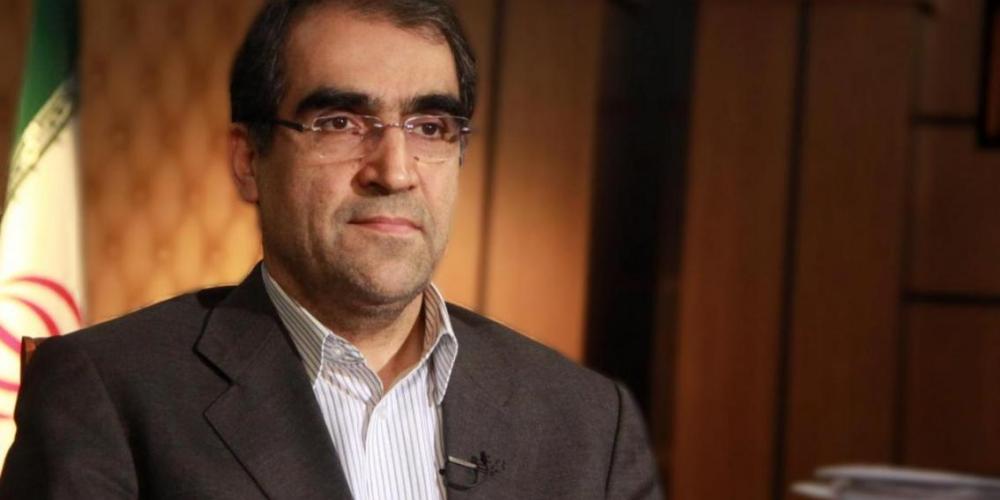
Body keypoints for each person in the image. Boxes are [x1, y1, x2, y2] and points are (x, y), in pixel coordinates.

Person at [0, 1, 663, 498]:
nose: (395, 170)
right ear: (249, 161)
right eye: (340, 122)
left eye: (430, 126)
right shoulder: (108, 394)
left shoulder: (588, 423)